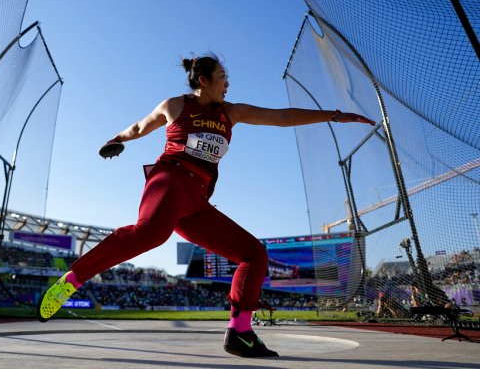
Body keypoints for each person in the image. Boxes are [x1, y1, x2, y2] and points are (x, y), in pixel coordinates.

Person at [36, 53, 375, 358]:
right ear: (204, 80)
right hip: (170, 179)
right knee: (150, 235)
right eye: (222, 77)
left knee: (254, 254)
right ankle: (72, 279)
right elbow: (140, 126)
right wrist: (118, 139)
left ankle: (240, 332)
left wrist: (334, 115)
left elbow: (282, 116)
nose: (227, 84)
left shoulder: (232, 112)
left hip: (196, 201)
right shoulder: (175, 105)